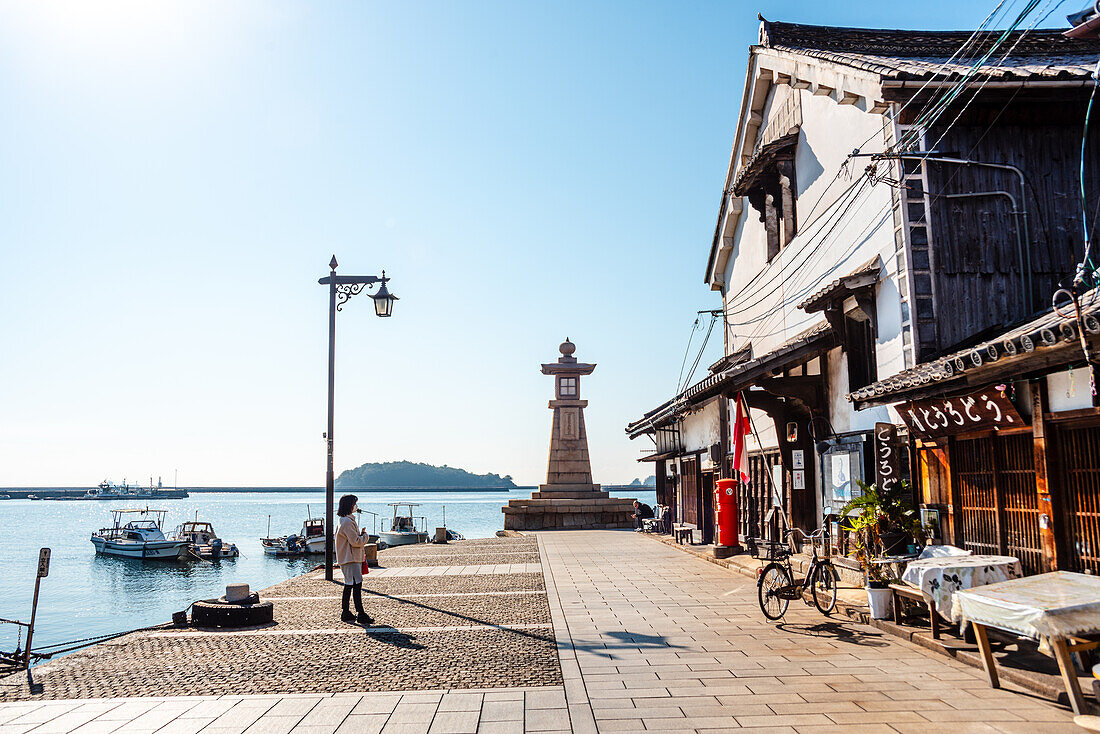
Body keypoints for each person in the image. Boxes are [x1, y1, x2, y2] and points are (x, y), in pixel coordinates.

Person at [335, 494, 375, 625]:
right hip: (350, 558)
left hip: (349, 558)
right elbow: (355, 542)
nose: (356, 506)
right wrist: (365, 536)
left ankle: (347, 612)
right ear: (350, 505)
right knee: (356, 585)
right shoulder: (347, 522)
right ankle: (359, 613)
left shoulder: (344, 520)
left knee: (350, 585)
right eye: (354, 504)